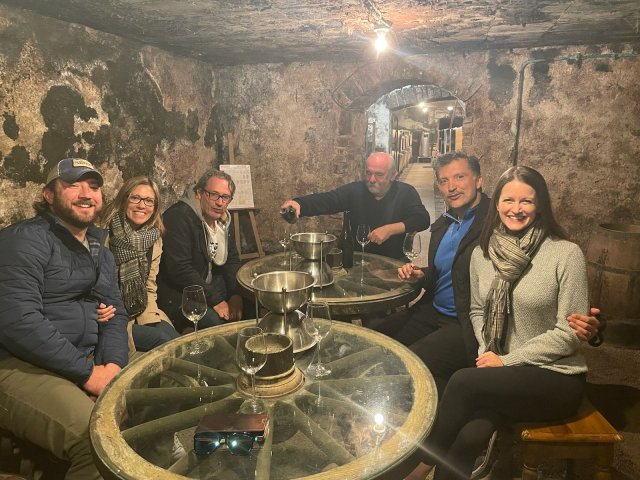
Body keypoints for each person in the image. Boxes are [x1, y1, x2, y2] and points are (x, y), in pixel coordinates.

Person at [413, 165, 591, 480]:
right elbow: (478, 310)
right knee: (468, 437)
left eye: (527, 201)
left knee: (462, 382)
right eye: (509, 200)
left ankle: (418, 467)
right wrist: (487, 353)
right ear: (497, 204)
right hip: (502, 371)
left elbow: (569, 335)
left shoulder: (566, 254)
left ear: (540, 205)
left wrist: (505, 361)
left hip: (556, 377)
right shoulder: (483, 254)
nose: (516, 209)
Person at [374, 152, 599, 398]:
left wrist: (596, 324)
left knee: (409, 361)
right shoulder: (446, 222)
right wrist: (421, 275)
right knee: (379, 341)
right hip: (433, 309)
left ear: (479, 180)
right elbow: (447, 273)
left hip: (464, 321)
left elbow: (535, 276)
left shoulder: (497, 223)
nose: (452, 187)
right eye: (444, 180)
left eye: (460, 177)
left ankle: (411, 417)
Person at [0, 158, 129, 479]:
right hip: (19, 363)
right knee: (97, 440)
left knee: (155, 390)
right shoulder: (25, 240)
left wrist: (111, 367)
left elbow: (115, 311)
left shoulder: (99, 247)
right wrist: (87, 374)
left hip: (81, 357)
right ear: (48, 195)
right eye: (74, 184)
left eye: (94, 186)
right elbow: (18, 321)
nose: (87, 193)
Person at [280, 151, 430, 259]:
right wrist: (299, 203)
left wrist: (390, 229)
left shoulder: (405, 192)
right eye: (368, 173)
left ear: (393, 175)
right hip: (357, 259)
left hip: (393, 261)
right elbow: (328, 200)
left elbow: (422, 219)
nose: (371, 179)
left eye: (379, 174)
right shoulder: (356, 190)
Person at [98, 176, 180, 352]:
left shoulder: (154, 239)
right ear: (123, 199)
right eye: (135, 198)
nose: (142, 206)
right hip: (110, 316)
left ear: (155, 207)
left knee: (180, 343)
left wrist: (149, 318)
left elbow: (149, 287)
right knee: (163, 343)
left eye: (149, 201)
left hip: (140, 309)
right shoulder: (103, 233)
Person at [158, 169, 243, 333]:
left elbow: (231, 259)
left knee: (251, 301)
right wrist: (216, 301)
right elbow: (180, 270)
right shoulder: (179, 217)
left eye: (225, 198)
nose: (220, 203)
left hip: (206, 282)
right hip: (179, 292)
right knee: (217, 324)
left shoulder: (222, 220)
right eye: (214, 195)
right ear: (199, 193)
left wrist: (235, 295)